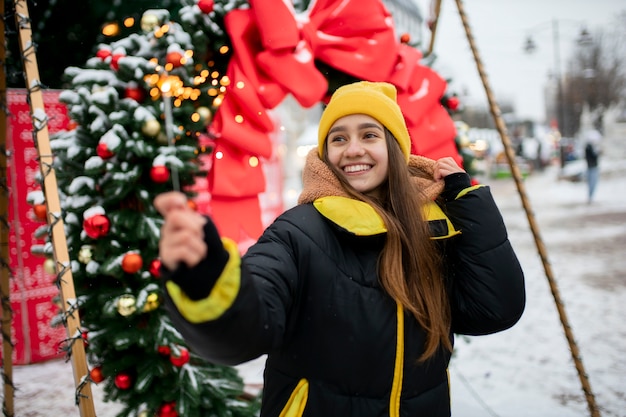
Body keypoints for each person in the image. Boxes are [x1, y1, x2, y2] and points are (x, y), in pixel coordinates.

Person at [155, 81, 525, 416]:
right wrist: (206, 277)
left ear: (395, 149)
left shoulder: (429, 230)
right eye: (338, 138)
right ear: (324, 153)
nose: (353, 150)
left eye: (369, 135)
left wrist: (469, 204)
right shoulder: (298, 232)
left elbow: (494, 309)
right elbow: (246, 331)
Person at [584, 129, 602, 203]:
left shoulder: (589, 147)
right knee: (592, 183)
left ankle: (591, 197)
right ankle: (590, 197)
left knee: (592, 183)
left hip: (591, 166)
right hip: (592, 167)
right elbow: (593, 157)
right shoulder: (589, 147)